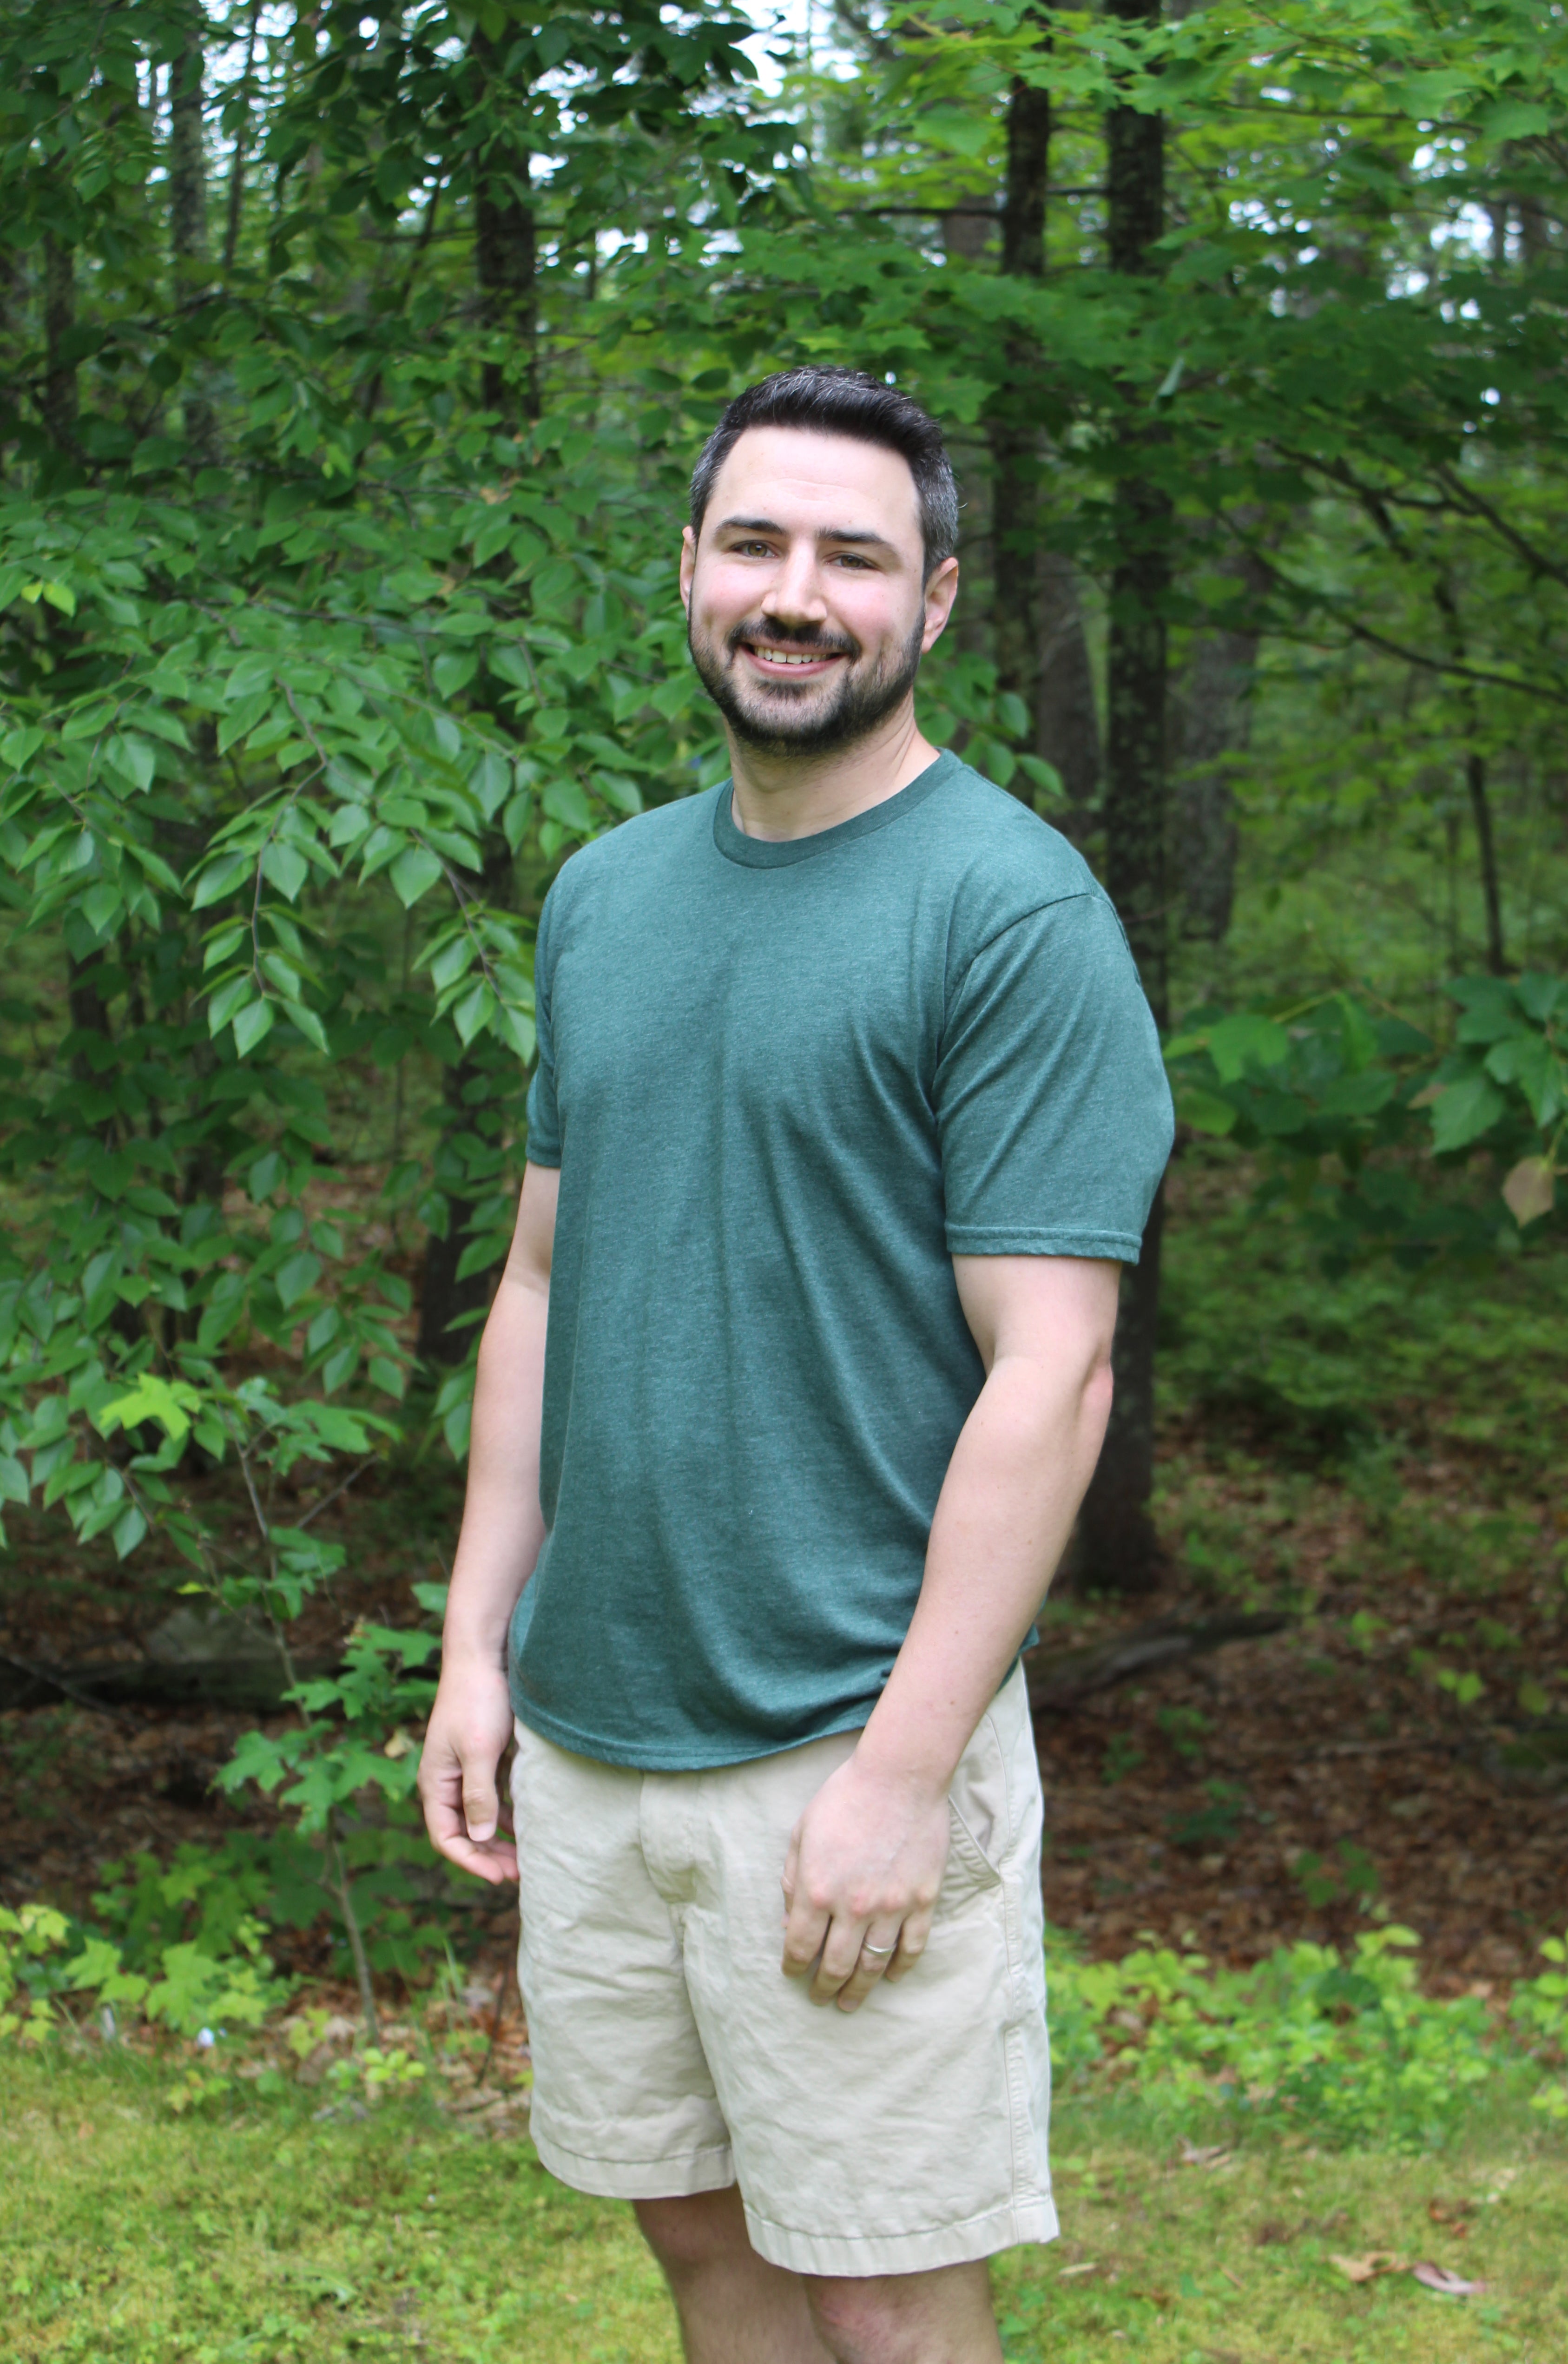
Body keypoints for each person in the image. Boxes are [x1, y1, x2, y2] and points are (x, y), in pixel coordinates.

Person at [419, 365, 1173, 2364]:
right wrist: (479, 1647)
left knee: (889, 2296)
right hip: (599, 1730)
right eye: (755, 542)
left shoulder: (1008, 913)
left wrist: (907, 1773)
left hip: (842, 1731)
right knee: (708, 2252)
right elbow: (541, 1283)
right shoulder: (606, 898)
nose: (795, 592)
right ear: (689, 571)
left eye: (855, 554)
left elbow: (1057, 1378)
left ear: (934, 603)